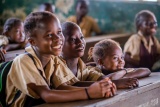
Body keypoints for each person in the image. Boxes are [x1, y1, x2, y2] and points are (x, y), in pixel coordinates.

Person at [5, 11, 116, 107]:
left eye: (59, 32)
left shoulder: (54, 59)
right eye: (49, 35)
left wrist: (98, 89)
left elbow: (63, 87)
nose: (58, 39)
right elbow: (47, 95)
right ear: (32, 42)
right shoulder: (24, 61)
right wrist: (89, 93)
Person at [61, 21, 140, 89]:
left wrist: (121, 75)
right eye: (72, 39)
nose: (80, 42)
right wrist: (115, 83)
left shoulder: (82, 67)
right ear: (60, 42)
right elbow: (71, 85)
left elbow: (102, 79)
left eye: (82, 37)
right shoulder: (57, 65)